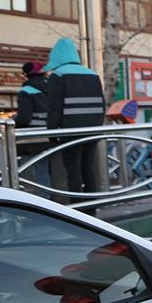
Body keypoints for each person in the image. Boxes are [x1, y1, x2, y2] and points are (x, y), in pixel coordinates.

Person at [45, 37, 106, 195]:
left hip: (69, 131)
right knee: (88, 168)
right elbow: (101, 104)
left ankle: (77, 206)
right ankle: (92, 205)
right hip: (92, 130)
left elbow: (55, 107)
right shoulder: (92, 74)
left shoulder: (58, 75)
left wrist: (52, 132)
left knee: (73, 171)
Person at [15, 61, 52, 187]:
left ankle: (41, 202)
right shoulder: (53, 88)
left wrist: (12, 123)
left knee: (36, 174)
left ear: (26, 74)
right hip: (53, 136)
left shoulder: (26, 91)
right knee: (53, 171)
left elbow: (24, 118)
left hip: (34, 139)